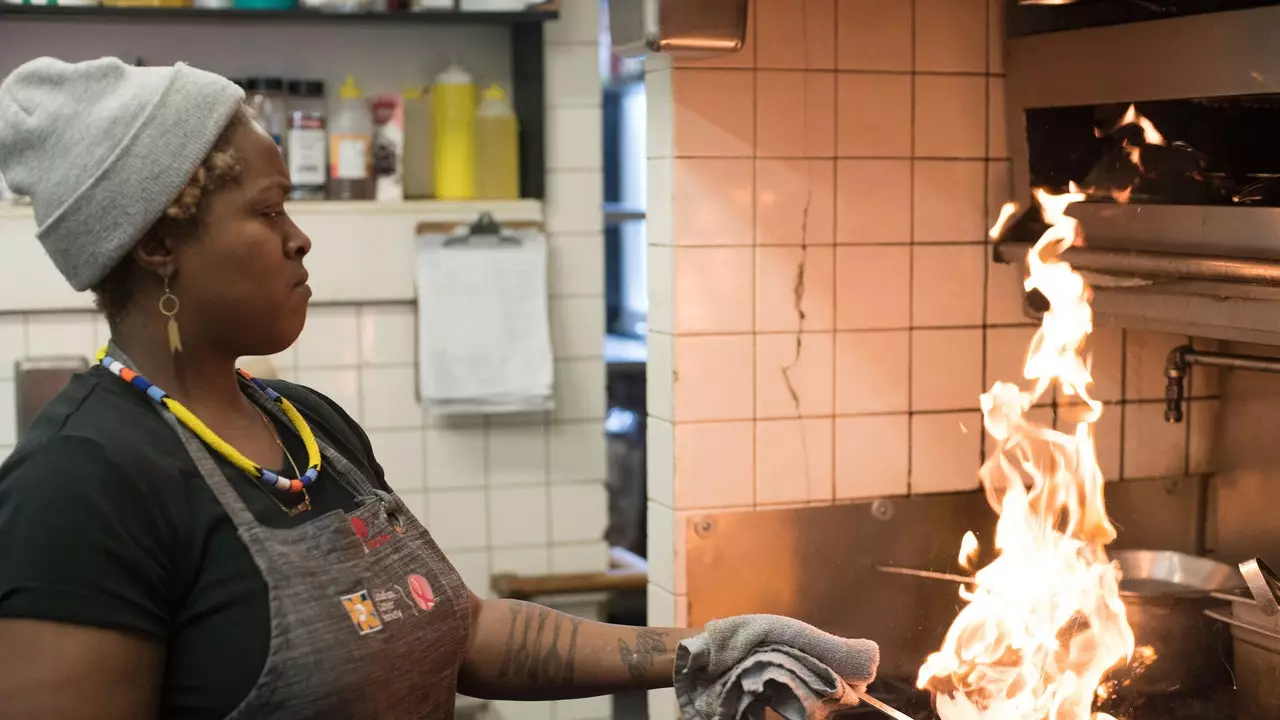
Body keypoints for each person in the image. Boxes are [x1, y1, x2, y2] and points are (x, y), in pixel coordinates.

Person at [0, 57, 878, 719]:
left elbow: (455, 629)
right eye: (268, 214)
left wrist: (697, 650)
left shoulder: (309, 430)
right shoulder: (80, 485)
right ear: (156, 243)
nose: (300, 240)